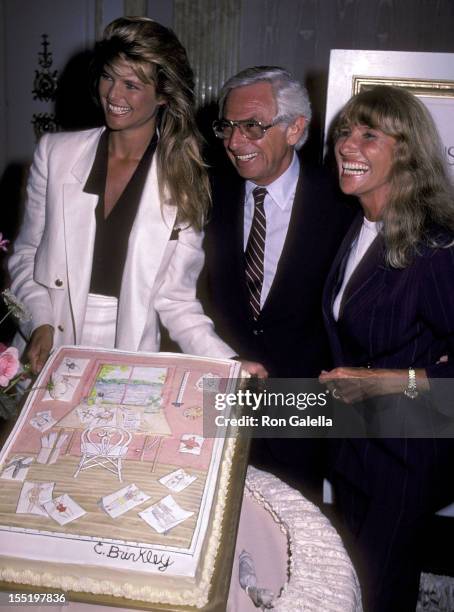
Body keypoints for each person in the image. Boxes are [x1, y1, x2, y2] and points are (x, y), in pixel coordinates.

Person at [8, 17, 265, 377]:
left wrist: (229, 363)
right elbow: (25, 256)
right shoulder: (55, 154)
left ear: (163, 95)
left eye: (131, 84)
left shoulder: (184, 180)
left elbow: (176, 300)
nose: (113, 95)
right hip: (47, 347)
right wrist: (41, 322)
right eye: (108, 77)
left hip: (126, 360)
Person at [319, 85, 454, 611]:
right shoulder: (357, 224)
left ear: (408, 152)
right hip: (354, 443)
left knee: (379, 588)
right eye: (345, 132)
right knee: (350, 576)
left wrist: (395, 380)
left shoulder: (435, 247)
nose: (347, 144)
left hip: (407, 452)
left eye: (369, 134)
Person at [200, 66, 353, 500]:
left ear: (295, 128)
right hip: (222, 389)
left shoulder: (342, 203)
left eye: (252, 126)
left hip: (302, 404)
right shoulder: (208, 194)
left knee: (290, 531)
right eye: (227, 127)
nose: (234, 142)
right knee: (216, 517)